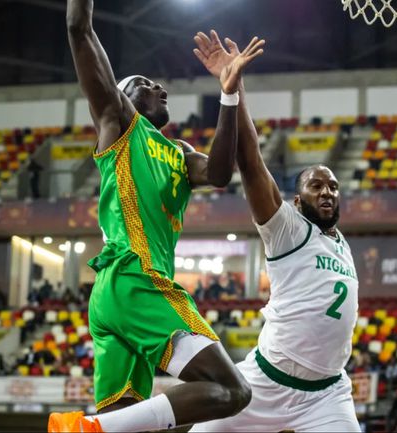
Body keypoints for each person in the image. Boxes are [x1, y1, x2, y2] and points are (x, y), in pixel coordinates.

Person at [48, 2, 265, 432]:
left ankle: (94, 427)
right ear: (122, 97)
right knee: (233, 390)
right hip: (137, 277)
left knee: (128, 421)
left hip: (113, 296)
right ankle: (85, 427)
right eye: (144, 85)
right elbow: (78, 28)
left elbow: (220, 173)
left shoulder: (179, 153)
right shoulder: (118, 122)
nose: (159, 86)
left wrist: (229, 93)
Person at [189, 30, 360, 432]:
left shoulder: (340, 242)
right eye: (316, 186)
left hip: (327, 393)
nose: (327, 191)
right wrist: (234, 89)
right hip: (265, 383)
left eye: (333, 186)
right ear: (297, 202)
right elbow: (250, 160)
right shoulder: (287, 228)